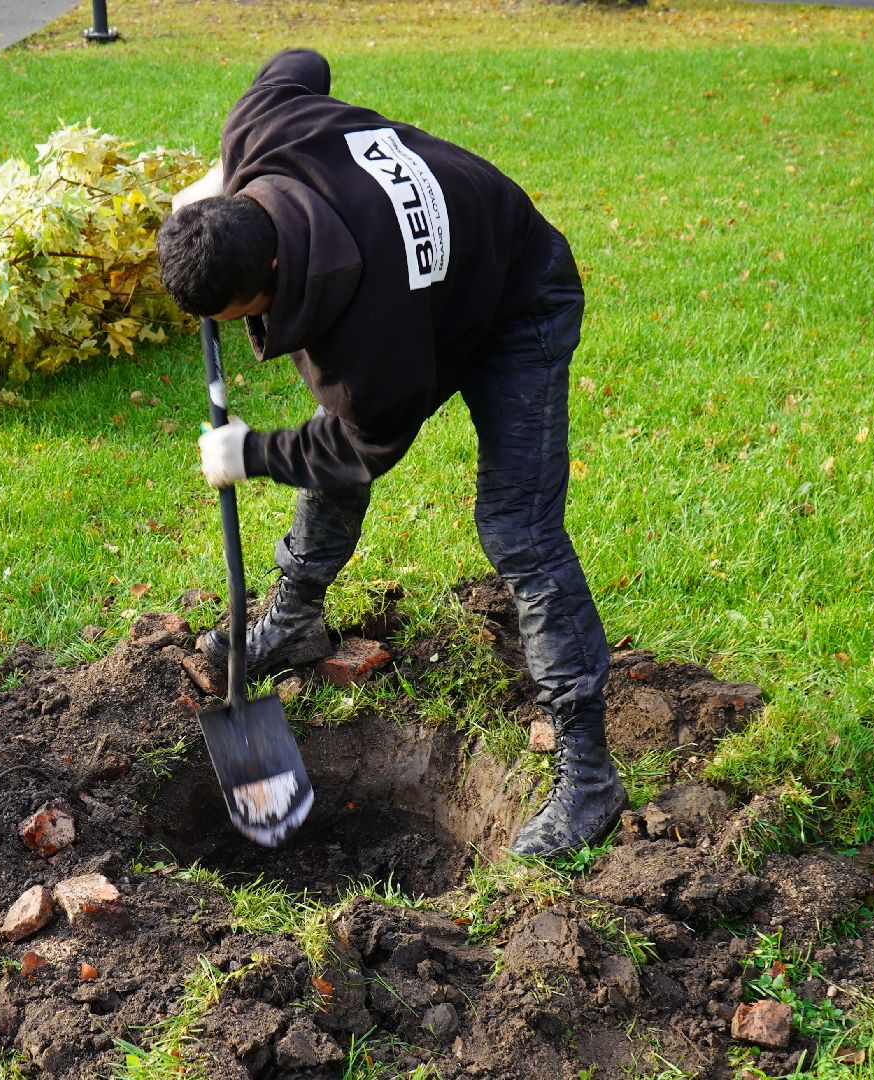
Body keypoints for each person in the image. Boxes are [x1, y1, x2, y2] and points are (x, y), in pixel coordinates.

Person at [155, 48, 625, 858]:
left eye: (238, 314)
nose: (237, 330)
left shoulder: (370, 345)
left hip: (519, 299)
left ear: (267, 267)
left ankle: (588, 777)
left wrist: (250, 451)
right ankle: (295, 619)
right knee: (329, 447)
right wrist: (213, 183)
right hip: (437, 290)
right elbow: (302, 61)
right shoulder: (261, 126)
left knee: (518, 528)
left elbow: (356, 446)